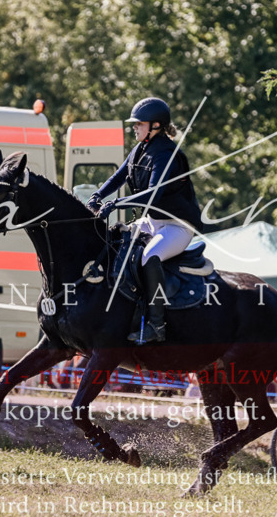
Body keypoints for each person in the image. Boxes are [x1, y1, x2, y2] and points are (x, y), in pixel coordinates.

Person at [86, 97, 203, 344]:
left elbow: (153, 194)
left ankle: (156, 324)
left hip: (177, 226)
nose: (134, 127)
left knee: (150, 257)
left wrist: (117, 204)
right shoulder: (140, 149)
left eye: (139, 123)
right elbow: (118, 178)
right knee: (116, 243)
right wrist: (97, 196)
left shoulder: (166, 154)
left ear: (156, 126)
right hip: (152, 221)